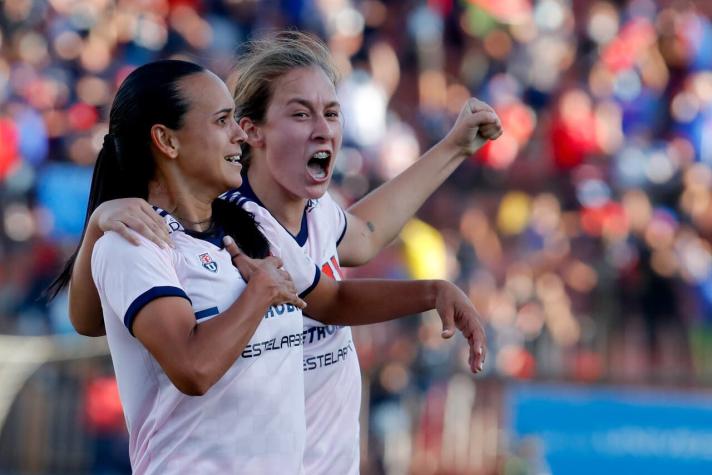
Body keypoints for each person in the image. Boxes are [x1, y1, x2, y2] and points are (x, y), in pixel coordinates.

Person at [51, 58, 488, 474]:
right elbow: (193, 368)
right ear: (167, 141)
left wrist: (432, 292)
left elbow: (330, 299)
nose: (236, 136)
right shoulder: (136, 241)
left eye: (331, 113)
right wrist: (259, 293)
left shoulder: (254, 223)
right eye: (221, 121)